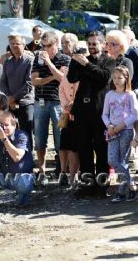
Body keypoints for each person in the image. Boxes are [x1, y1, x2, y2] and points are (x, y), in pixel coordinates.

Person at [67, 31, 116, 198]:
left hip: (100, 111)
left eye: (95, 44)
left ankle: (102, 185)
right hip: (82, 110)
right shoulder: (81, 59)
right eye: (89, 43)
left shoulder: (109, 61)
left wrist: (87, 64)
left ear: (102, 44)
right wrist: (75, 61)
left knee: (101, 148)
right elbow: (71, 78)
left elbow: (104, 78)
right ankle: (87, 184)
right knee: (83, 147)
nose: (91, 47)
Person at [31, 31, 71, 175]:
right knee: (39, 138)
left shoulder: (65, 59)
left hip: (58, 103)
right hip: (40, 102)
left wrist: (48, 63)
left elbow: (62, 79)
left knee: (60, 137)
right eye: (43, 46)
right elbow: (34, 81)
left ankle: (63, 170)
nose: (45, 49)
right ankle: (41, 170)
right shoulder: (37, 58)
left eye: (48, 46)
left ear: (56, 44)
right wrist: (51, 76)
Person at [102, 66, 138, 202]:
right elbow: (105, 114)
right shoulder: (109, 95)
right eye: (115, 77)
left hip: (126, 130)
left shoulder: (130, 95)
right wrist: (109, 125)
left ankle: (121, 192)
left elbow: (135, 114)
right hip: (112, 131)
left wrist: (122, 125)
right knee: (112, 160)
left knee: (123, 160)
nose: (117, 81)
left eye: (120, 78)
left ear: (126, 79)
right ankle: (132, 184)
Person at [0, 34, 35, 151]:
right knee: (10, 131)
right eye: (12, 44)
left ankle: (28, 156)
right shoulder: (7, 62)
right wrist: (9, 98)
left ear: (24, 45)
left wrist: (14, 98)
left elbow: (29, 83)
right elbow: (3, 83)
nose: (14, 46)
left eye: (17, 43)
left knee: (26, 131)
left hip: (26, 102)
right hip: (10, 103)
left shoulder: (30, 60)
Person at [58, 41, 83, 189]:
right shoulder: (67, 70)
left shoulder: (85, 71)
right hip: (67, 114)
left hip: (80, 114)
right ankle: (67, 174)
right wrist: (65, 105)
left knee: (76, 148)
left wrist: (74, 103)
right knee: (65, 146)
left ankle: (76, 176)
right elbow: (61, 89)